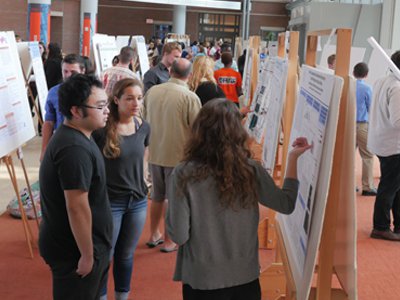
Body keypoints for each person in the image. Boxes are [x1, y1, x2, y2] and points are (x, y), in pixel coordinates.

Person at [166, 99, 311, 299]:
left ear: (199, 131)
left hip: (202, 278)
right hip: (245, 276)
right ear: (238, 132)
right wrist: (293, 158)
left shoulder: (183, 174)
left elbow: (179, 235)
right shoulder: (251, 170)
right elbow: (285, 204)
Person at [39, 74, 113, 299]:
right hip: (75, 250)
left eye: (106, 104)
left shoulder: (81, 137)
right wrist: (87, 255)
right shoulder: (74, 149)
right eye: (100, 106)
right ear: (76, 111)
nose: (107, 110)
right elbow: (76, 207)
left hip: (83, 245)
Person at [93, 78, 150, 300]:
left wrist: (144, 179)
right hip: (110, 202)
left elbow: (144, 154)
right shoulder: (102, 130)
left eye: (139, 98)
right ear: (116, 100)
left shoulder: (143, 126)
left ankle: (121, 297)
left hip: (137, 202)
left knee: (126, 255)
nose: (136, 103)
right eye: (129, 98)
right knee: (106, 255)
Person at [144, 58, 202, 253]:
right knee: (173, 198)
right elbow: (198, 129)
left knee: (157, 196)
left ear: (170, 72)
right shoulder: (190, 97)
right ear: (190, 75)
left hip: (154, 153)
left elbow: (143, 119)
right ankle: (170, 240)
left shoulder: (152, 92)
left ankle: (153, 234)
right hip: (179, 155)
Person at [368, 50, 400, 241]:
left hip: (383, 142)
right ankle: (380, 226)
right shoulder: (397, 87)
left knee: (394, 186)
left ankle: (396, 225)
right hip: (394, 146)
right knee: (389, 187)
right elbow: (398, 121)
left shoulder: (382, 81)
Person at [40, 54, 86, 161]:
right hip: (60, 142)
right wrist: (44, 150)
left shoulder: (91, 93)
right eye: (65, 71)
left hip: (84, 143)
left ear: (83, 71)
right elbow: (49, 122)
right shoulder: (53, 93)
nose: (68, 75)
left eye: (73, 72)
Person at [353, 62, 376, 196]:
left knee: (348, 156)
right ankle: (367, 187)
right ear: (366, 74)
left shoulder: (348, 86)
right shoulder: (367, 88)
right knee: (367, 156)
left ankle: (349, 184)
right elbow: (371, 108)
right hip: (362, 125)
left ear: (354, 72)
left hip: (348, 125)